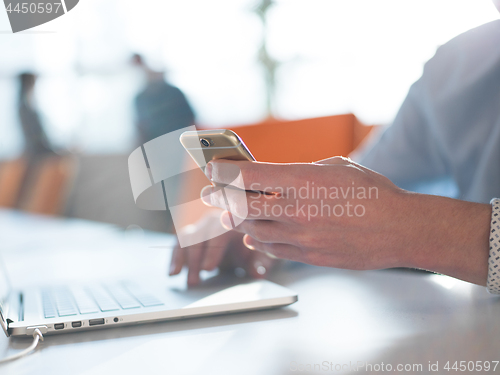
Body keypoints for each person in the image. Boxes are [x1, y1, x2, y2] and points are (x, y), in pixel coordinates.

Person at [169, 8, 500, 293]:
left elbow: (384, 215)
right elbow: (367, 191)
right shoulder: (458, 65)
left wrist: (412, 230)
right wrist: (267, 229)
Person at [132, 54, 195, 144]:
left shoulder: (174, 93)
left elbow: (191, 119)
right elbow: (141, 127)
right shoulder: (140, 98)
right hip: (156, 145)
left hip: (179, 142)